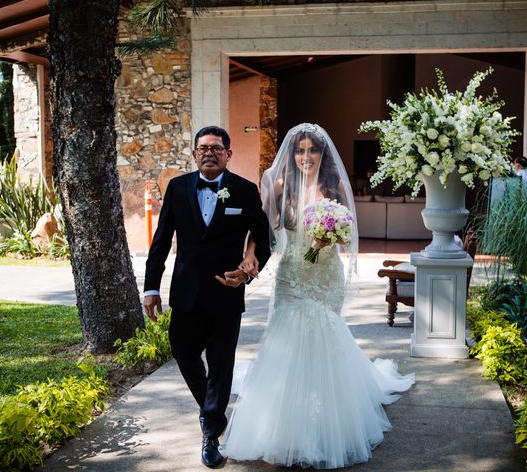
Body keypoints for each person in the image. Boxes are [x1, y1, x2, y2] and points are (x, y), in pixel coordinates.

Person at [221, 123, 415, 469]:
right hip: (292, 273)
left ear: (323, 155)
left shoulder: (334, 186)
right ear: (292, 154)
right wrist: (249, 254)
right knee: (288, 340)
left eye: (313, 150)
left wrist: (330, 237)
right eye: (300, 150)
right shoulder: (279, 185)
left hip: (324, 274)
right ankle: (284, 423)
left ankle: (327, 422)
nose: (305, 157)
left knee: (323, 337)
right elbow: (260, 226)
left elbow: (347, 234)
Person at [143, 125, 271, 469]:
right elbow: (161, 242)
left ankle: (211, 433)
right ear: (194, 153)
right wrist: (151, 287)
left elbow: (262, 239)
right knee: (183, 352)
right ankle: (212, 411)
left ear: (228, 154)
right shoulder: (178, 187)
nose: (209, 153)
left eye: (217, 148)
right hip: (185, 293)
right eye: (203, 148)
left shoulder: (244, 190)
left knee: (221, 365)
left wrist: (245, 272)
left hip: (226, 295)